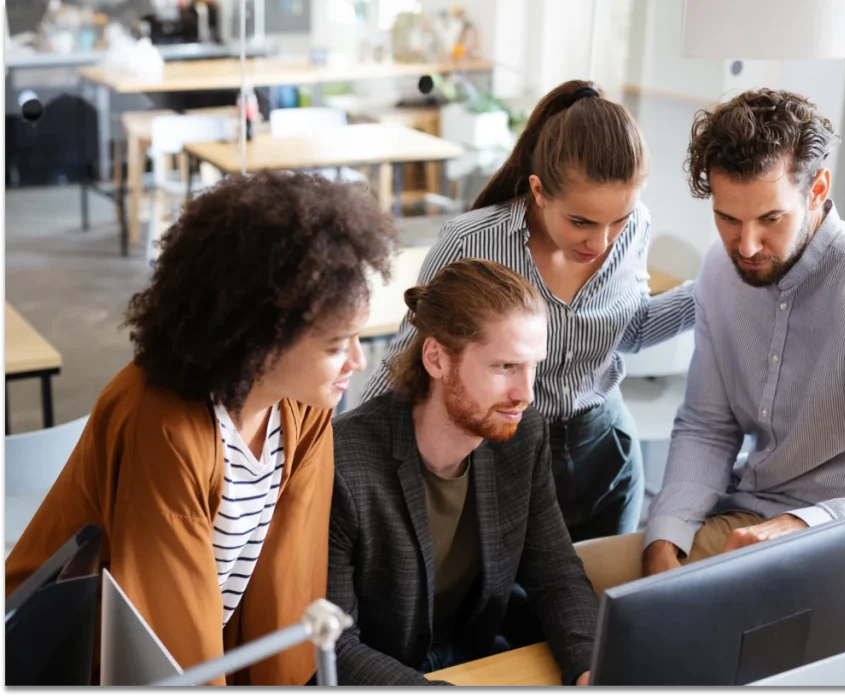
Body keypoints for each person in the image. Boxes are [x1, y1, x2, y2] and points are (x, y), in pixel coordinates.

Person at [4, 171, 397, 686]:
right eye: (334, 345)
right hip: (69, 659)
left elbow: (284, 590)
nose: (356, 360)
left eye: (357, 338)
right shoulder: (164, 423)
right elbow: (162, 641)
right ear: (260, 340)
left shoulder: (304, 408)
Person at [643, 88, 845, 580]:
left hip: (837, 552)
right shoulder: (719, 271)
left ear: (817, 189)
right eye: (727, 218)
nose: (747, 245)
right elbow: (709, 426)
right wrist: (667, 533)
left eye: (770, 219)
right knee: (583, 605)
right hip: (741, 517)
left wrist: (803, 526)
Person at [360, 80, 697, 542]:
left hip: (606, 456)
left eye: (617, 221)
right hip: (503, 461)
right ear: (539, 192)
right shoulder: (473, 241)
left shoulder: (636, 227)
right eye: (580, 222)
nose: (600, 243)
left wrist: (711, 290)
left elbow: (630, 329)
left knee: (598, 606)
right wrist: (347, 456)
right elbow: (410, 359)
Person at [327, 259, 598, 687]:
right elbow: (334, 645)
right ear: (436, 359)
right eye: (505, 367)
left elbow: (556, 573)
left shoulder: (523, 437)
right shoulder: (344, 465)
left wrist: (589, 668)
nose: (525, 393)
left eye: (533, 366)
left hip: (474, 659)